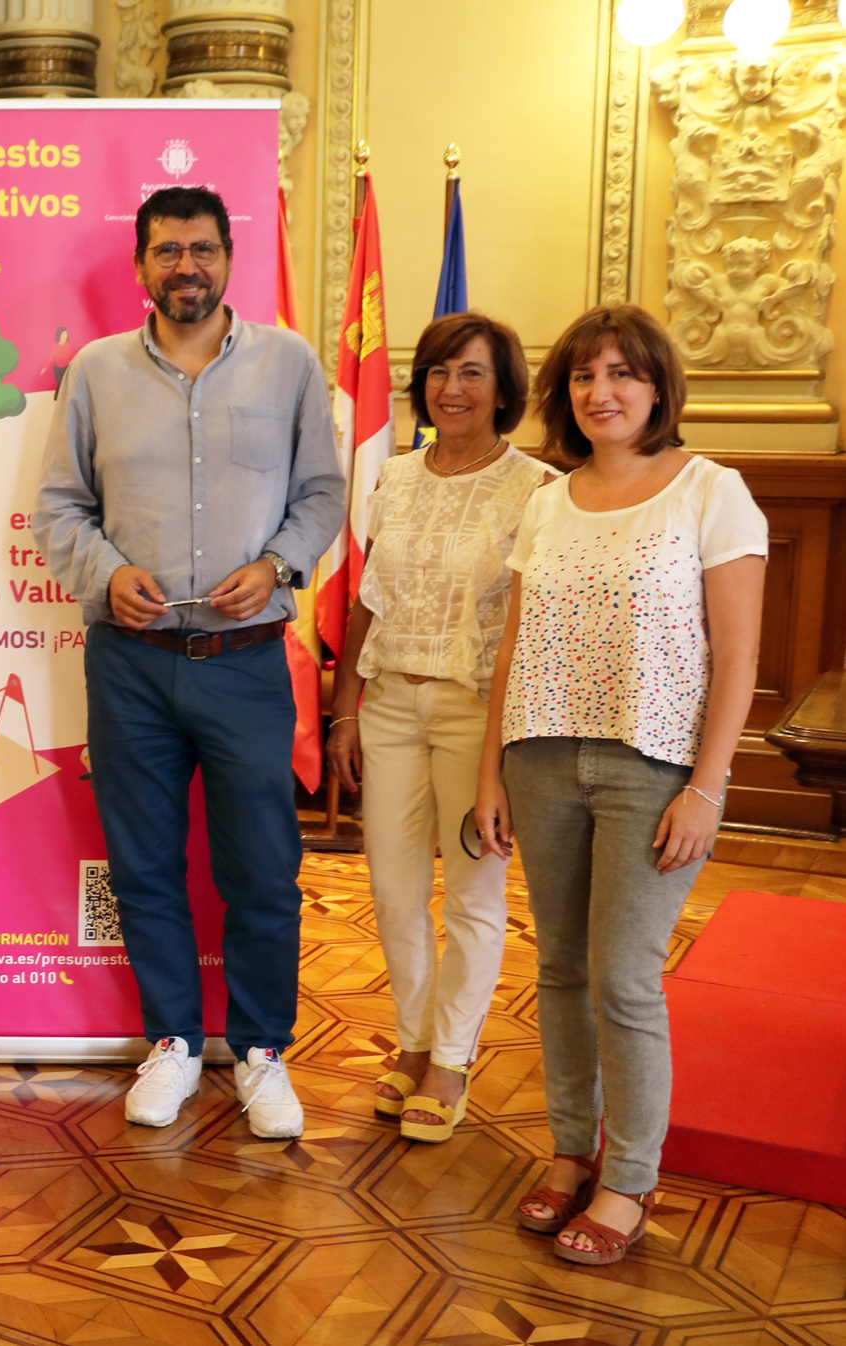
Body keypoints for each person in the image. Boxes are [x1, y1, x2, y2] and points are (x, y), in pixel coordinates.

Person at [33, 185, 346, 1139]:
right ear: (141, 266)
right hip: (130, 666)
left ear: (228, 260)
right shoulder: (95, 373)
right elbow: (59, 507)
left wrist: (278, 566)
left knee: (265, 870)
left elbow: (323, 494)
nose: (186, 267)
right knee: (144, 866)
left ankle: (261, 1051)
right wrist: (107, 572)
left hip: (248, 664)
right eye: (167, 251)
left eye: (202, 249)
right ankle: (171, 1040)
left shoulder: (290, 363)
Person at [475, 304, 766, 1266]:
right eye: (583, 376)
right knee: (559, 969)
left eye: (622, 374)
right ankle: (572, 1150)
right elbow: (514, 646)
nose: (601, 392)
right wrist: (491, 771)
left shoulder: (712, 491)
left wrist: (708, 789)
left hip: (655, 765)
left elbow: (738, 658)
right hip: (541, 756)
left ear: (657, 386)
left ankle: (631, 1178)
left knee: (625, 977)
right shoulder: (548, 500)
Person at [327, 312, 549, 1144]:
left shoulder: (536, 488)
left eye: (472, 373)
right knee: (390, 890)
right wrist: (345, 707)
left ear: (504, 389)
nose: (451, 389)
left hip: (475, 714)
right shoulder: (394, 476)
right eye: (439, 373)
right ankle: (414, 1042)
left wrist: (510, 744)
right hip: (388, 705)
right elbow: (369, 601)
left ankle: (451, 1059)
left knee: (472, 894)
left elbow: (532, 626)